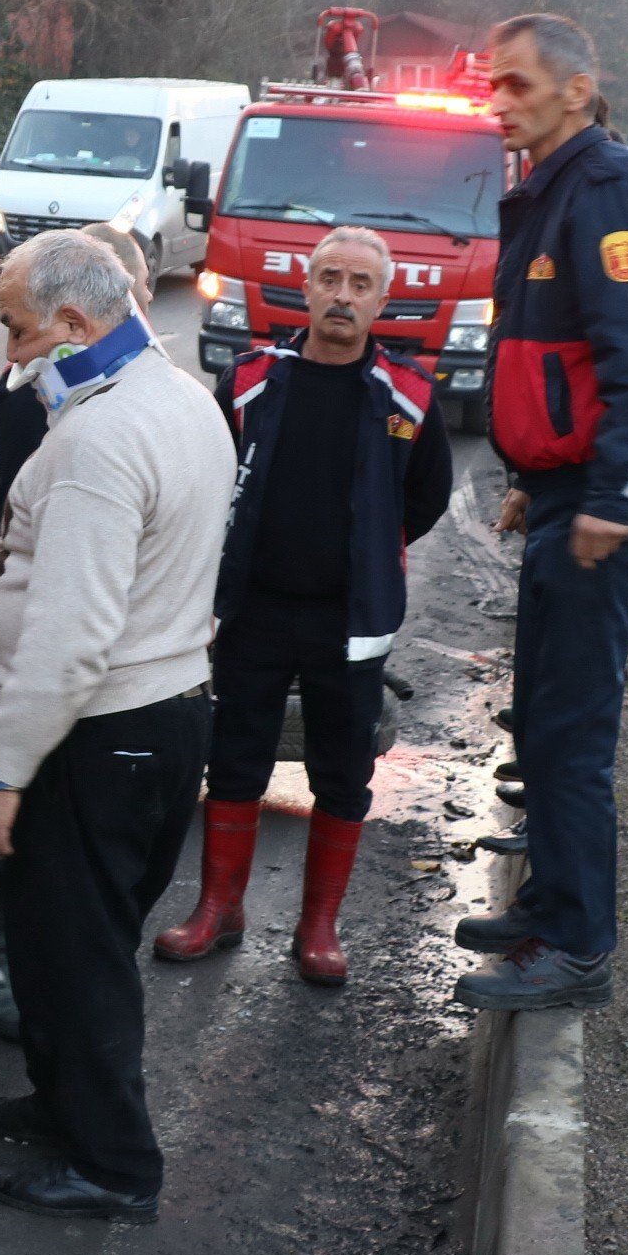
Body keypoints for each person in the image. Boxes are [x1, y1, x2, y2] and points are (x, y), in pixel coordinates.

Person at [0, 230, 236, 1222]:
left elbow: (70, 640)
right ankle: (63, 1101)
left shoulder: (99, 438)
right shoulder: (179, 399)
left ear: (74, 324)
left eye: (20, 332)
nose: (13, 354)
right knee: (67, 939)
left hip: (103, 729)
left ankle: (115, 1166)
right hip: (162, 718)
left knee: (82, 955)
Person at [452, 12, 628, 1013]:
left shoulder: (608, 192)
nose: (497, 103)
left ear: (577, 91)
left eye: (515, 85)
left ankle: (578, 952)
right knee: (543, 725)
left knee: (574, 736)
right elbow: (555, 365)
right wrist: (528, 477)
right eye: (492, 86)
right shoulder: (543, 193)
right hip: (561, 495)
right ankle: (547, 906)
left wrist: (616, 503)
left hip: (600, 510)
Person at [152, 226, 453, 985]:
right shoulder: (254, 379)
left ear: (383, 300)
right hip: (252, 611)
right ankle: (219, 909)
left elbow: (426, 497)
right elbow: (209, 476)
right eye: (331, 279)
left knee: (342, 773)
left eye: (360, 285)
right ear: (307, 287)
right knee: (235, 762)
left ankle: (318, 929)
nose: (343, 296)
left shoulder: (410, 397)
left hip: (349, 623)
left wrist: (368, 549)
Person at [0, 216, 166, 1044]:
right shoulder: (54, 396)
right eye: (133, 296)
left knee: (31, 835)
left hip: (47, 623)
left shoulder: (74, 391)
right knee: (26, 826)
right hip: (56, 637)